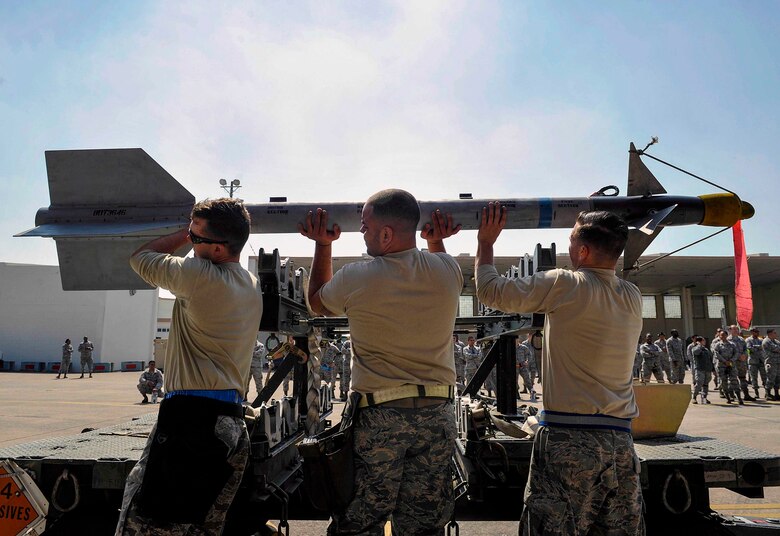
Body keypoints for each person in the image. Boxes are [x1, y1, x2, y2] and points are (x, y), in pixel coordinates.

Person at [299, 189, 462, 535]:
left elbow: (316, 302)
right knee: (424, 526)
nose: (362, 232)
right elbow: (439, 261)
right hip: (438, 415)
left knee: (360, 523)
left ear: (386, 234)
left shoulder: (358, 277)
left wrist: (322, 244)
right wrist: (436, 241)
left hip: (382, 418)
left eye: (366, 226)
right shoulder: (448, 269)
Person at [476, 205, 644, 535]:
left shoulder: (565, 284)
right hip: (620, 443)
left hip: (570, 440)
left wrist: (486, 243)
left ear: (582, 250)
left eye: (571, 240)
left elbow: (490, 291)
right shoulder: (632, 295)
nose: (567, 247)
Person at [115, 198, 262, 535]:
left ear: (221, 248)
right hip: (229, 424)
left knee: (150, 524)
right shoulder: (249, 284)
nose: (192, 244)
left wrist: (183, 234)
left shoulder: (199, 276)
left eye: (198, 239)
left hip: (190, 425)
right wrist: (198, 237)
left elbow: (140, 257)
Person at [712, 330, 742, 404]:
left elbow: (736, 353)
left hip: (731, 365)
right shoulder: (717, 345)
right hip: (721, 366)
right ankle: (728, 398)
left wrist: (731, 360)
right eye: (721, 335)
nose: (722, 337)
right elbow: (716, 354)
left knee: (734, 381)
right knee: (723, 382)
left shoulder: (732, 344)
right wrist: (725, 361)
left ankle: (739, 398)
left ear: (727, 335)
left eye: (724, 335)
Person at [728, 325, 754, 401]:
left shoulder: (741, 339)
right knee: (733, 379)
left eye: (737, 329)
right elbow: (728, 352)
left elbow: (746, 349)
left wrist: (745, 355)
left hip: (742, 363)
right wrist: (738, 356)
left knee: (743, 378)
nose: (736, 330)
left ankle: (746, 394)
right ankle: (732, 394)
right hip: (733, 362)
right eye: (734, 329)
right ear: (730, 330)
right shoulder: (728, 340)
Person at [746, 327, 767, 399]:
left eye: (758, 332)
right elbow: (749, 349)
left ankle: (767, 392)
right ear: (752, 332)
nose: (757, 333)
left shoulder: (761, 340)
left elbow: (764, 347)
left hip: (761, 361)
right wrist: (758, 347)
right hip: (753, 362)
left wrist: (756, 347)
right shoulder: (748, 340)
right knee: (754, 378)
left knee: (764, 377)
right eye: (756, 332)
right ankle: (756, 393)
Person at [691, 337, 713, 404]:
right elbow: (696, 352)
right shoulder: (695, 348)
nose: (705, 342)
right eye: (703, 341)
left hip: (707, 369)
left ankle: (704, 398)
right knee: (699, 383)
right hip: (700, 369)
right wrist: (699, 345)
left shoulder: (706, 349)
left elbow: (710, 358)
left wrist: (713, 369)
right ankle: (694, 397)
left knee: (706, 384)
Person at [516, 337, 537, 401]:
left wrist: (527, 361)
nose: (515, 341)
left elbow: (529, 355)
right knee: (514, 381)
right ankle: (516, 394)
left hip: (523, 366)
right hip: (515, 367)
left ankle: (532, 392)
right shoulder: (509, 347)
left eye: (516, 340)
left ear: (518, 340)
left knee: (527, 379)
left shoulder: (523, 347)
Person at [763, 329, 780, 401]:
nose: (776, 334)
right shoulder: (766, 341)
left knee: (778, 379)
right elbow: (775, 348)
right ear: (770, 334)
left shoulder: (776, 341)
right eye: (774, 333)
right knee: (770, 378)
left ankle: (777, 393)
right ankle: (768, 394)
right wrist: (777, 350)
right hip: (771, 362)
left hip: (778, 362)